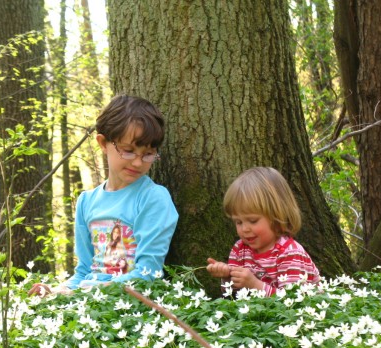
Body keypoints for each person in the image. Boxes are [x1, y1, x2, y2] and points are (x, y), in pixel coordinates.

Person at [29, 95, 179, 296]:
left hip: (130, 306)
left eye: (148, 154)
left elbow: (147, 274)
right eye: (128, 151)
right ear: (102, 142)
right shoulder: (87, 201)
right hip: (89, 302)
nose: (137, 162)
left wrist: (84, 294)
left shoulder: (152, 199)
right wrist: (55, 291)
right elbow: (83, 271)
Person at [206, 167, 320, 296]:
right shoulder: (240, 249)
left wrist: (254, 285)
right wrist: (227, 276)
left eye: (253, 221)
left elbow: (293, 303)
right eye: (238, 222)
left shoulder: (290, 253)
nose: (244, 229)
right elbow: (233, 295)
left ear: (278, 216)